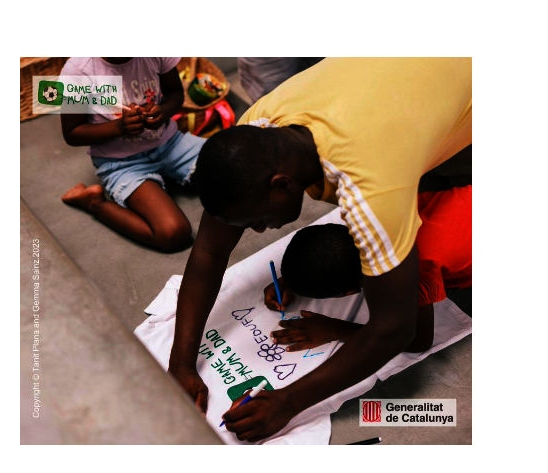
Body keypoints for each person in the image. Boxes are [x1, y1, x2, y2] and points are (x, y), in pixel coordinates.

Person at [168, 58, 472, 442]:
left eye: (257, 219)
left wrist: (288, 402)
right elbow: (210, 252)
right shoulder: (259, 129)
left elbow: (396, 328)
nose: (258, 229)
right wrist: (181, 363)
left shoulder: (373, 188)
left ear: (282, 184)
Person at [264, 185, 472, 355]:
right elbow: (329, 248)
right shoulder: (370, 211)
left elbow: (418, 341)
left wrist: (333, 329)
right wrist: (294, 276)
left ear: (351, 292)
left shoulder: (410, 272)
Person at [59, 57, 205, 252]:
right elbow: (72, 133)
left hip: (171, 144)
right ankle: (95, 204)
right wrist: (120, 127)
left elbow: (175, 94)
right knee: (173, 232)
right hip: (122, 163)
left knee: (235, 169)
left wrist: (162, 111)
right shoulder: (78, 71)